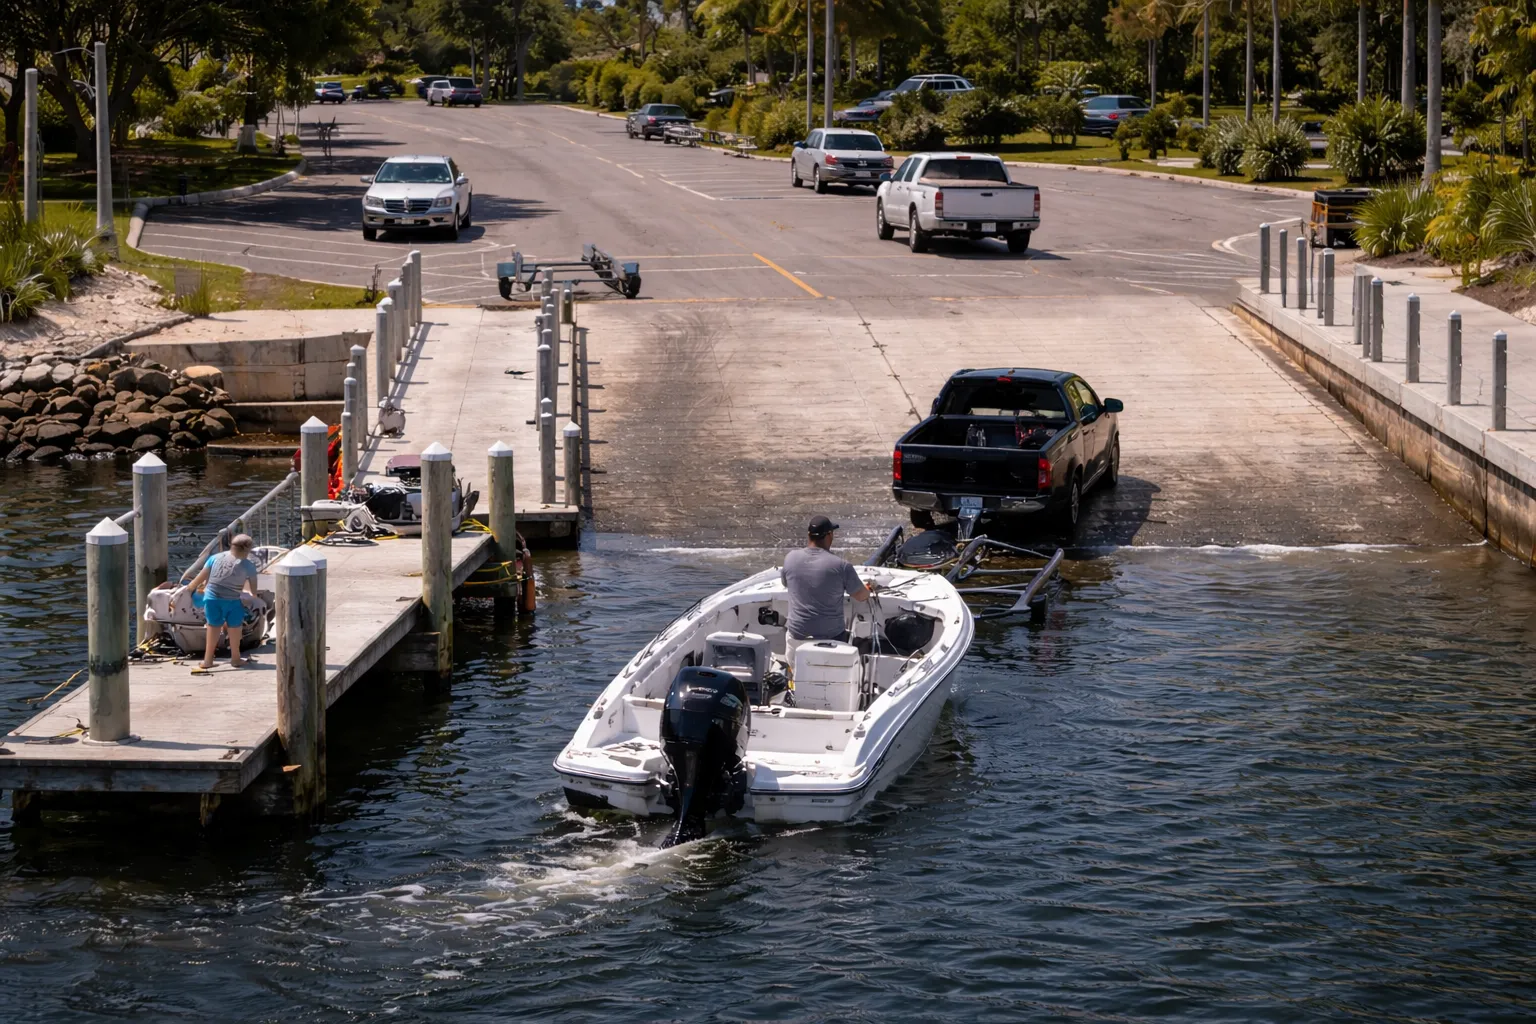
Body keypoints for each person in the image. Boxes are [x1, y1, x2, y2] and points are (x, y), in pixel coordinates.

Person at [780, 516, 875, 671]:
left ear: (808, 535)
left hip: (797, 638)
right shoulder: (841, 566)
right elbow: (861, 596)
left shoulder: (790, 558)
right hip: (831, 640)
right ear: (829, 535)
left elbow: (786, 583)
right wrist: (868, 589)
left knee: (798, 675)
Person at [187, 533, 260, 669]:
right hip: (232, 601)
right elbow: (253, 591)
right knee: (235, 628)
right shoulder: (248, 566)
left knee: (213, 628)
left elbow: (200, 577)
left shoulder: (215, 557)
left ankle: (208, 661)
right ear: (248, 549)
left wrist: (190, 588)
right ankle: (235, 658)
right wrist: (252, 595)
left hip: (212, 600)